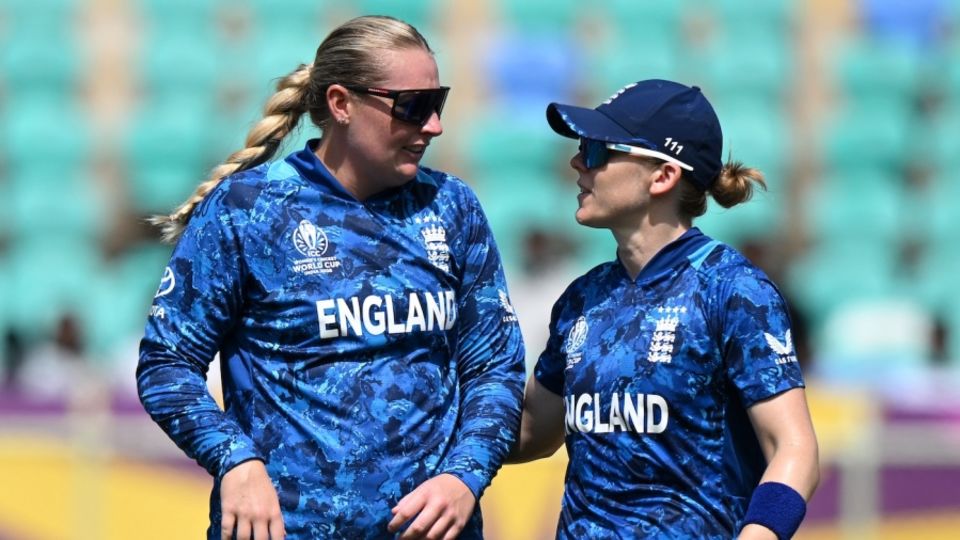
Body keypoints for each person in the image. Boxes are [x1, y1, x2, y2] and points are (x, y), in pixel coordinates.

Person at [136, 15, 525, 540]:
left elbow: (495, 368)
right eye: (412, 107)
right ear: (342, 104)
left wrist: (465, 475)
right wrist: (235, 460)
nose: (433, 125)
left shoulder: (452, 206)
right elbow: (166, 364)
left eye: (439, 103)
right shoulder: (248, 210)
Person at [508, 79, 820, 539]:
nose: (578, 162)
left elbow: (794, 449)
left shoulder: (732, 290)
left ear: (663, 175)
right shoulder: (581, 298)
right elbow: (533, 432)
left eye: (596, 150)